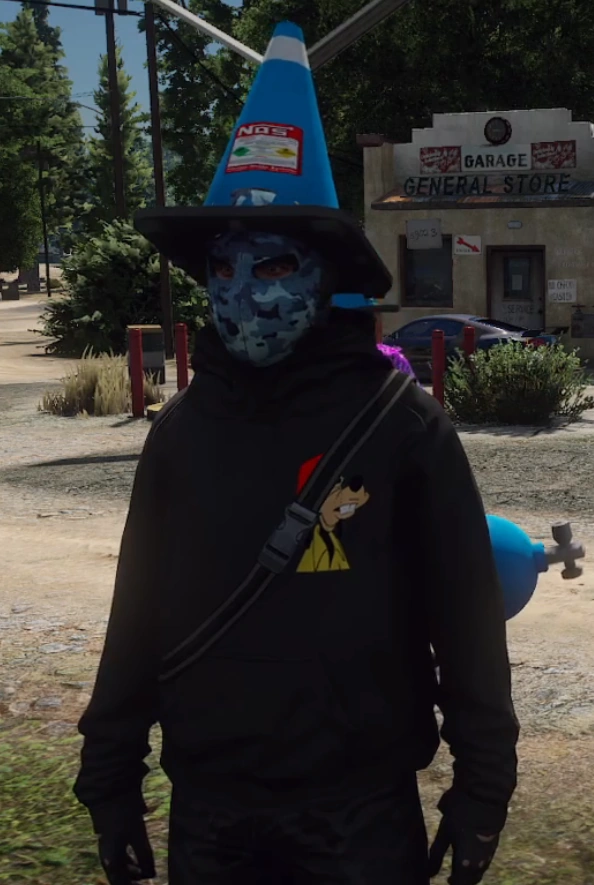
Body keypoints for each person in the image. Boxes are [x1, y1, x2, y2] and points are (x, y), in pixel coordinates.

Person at [73, 21, 519, 885]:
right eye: (223, 270)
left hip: (359, 817)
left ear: (326, 274)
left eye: (274, 266)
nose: (243, 292)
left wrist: (482, 789)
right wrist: (109, 779)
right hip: (211, 814)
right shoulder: (181, 433)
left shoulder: (405, 428)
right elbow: (138, 616)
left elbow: (466, 622)